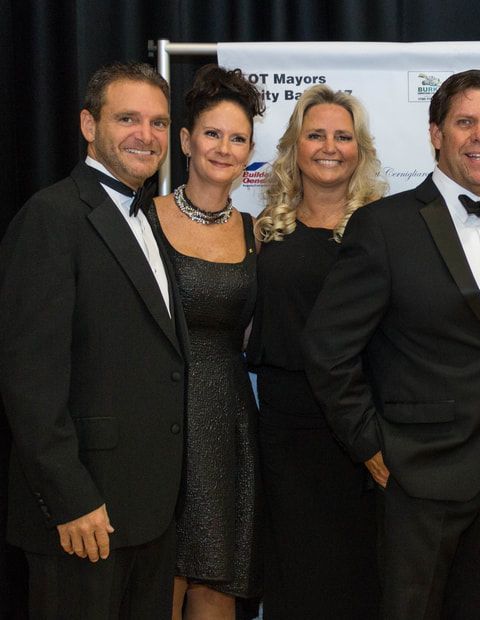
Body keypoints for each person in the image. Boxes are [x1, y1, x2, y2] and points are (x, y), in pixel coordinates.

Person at [303, 69, 480, 619]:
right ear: (436, 133)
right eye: (465, 122)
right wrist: (370, 444)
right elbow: (327, 347)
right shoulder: (385, 225)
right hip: (417, 476)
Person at [0, 62, 186, 618]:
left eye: (157, 122)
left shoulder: (147, 217)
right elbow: (29, 380)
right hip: (84, 517)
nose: (145, 135)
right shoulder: (51, 216)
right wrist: (71, 499)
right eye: (128, 119)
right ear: (88, 125)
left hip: (150, 512)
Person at [247, 85, 386, 618]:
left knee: (361, 579)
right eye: (316, 135)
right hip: (285, 431)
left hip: (362, 429)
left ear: (360, 150)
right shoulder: (264, 231)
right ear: (294, 147)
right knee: (295, 578)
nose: (330, 147)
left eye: (343, 137)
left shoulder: (386, 228)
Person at [143, 64, 263, 619]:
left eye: (238, 138)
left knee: (217, 581)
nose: (224, 148)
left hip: (228, 420)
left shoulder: (257, 233)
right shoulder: (143, 221)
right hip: (160, 417)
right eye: (212, 133)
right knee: (160, 577)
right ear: (186, 140)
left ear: (250, 152)